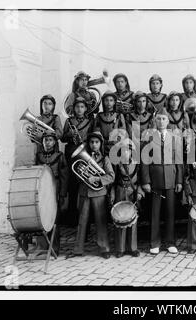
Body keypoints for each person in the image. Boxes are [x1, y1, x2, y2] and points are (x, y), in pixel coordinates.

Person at [141, 108, 183, 255]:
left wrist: (179, 181)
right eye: (158, 119)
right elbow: (145, 160)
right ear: (154, 120)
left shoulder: (175, 137)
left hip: (171, 178)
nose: (161, 121)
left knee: (170, 212)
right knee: (155, 212)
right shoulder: (149, 137)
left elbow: (179, 160)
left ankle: (170, 242)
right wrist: (145, 181)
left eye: (164, 119)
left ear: (168, 121)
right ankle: (155, 242)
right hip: (155, 179)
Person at [67, 131, 115, 259]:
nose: (94, 145)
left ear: (100, 144)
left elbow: (111, 177)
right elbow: (77, 174)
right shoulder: (83, 157)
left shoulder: (105, 159)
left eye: (96, 142)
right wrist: (83, 176)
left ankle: (104, 248)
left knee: (101, 220)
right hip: (84, 192)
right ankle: (78, 249)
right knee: (82, 221)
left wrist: (96, 179)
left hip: (99, 193)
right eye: (92, 142)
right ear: (88, 143)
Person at [34, 130, 69, 255]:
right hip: (43, 189)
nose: (47, 143)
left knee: (54, 218)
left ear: (54, 142)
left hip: (56, 188)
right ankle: (41, 246)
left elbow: (65, 177)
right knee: (41, 216)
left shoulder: (60, 156)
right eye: (45, 140)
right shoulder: (39, 156)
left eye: (50, 140)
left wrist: (63, 194)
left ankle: (54, 246)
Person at [61, 97, 93, 226]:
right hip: (71, 154)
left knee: (85, 183)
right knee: (72, 185)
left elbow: (93, 136)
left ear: (85, 109)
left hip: (85, 153)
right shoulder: (69, 121)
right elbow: (62, 138)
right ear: (74, 108)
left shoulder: (90, 121)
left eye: (82, 107)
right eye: (77, 107)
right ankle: (72, 215)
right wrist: (69, 135)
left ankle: (87, 217)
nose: (79, 109)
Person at [110, 139, 145, 258]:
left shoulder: (137, 164)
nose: (126, 153)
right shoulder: (116, 164)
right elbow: (113, 182)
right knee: (120, 219)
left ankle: (133, 248)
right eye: (123, 150)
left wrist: (139, 192)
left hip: (132, 192)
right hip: (120, 191)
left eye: (128, 150)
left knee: (132, 220)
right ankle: (120, 248)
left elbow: (141, 180)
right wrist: (113, 194)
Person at [89, 90, 126, 155]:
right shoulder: (99, 116)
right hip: (102, 146)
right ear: (103, 101)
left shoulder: (119, 116)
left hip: (116, 146)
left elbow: (123, 132)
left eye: (111, 100)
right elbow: (96, 132)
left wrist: (117, 140)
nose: (109, 102)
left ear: (114, 102)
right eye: (106, 100)